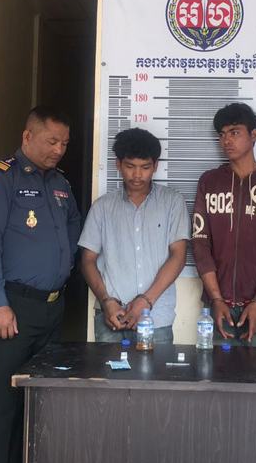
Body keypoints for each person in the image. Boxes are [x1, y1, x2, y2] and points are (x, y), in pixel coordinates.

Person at [0, 106, 81, 463]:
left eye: (64, 143)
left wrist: (64, 266)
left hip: (51, 308)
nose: (59, 150)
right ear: (27, 136)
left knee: (38, 398)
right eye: (52, 141)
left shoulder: (60, 183)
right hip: (13, 307)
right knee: (3, 400)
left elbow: (73, 225)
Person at [192, 103, 256, 346]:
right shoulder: (209, 182)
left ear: (254, 135)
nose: (226, 140)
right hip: (219, 307)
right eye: (222, 134)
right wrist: (216, 299)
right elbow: (200, 244)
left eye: (234, 132)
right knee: (216, 370)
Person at [79, 128, 189, 342]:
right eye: (130, 166)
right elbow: (87, 260)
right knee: (108, 366)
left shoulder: (172, 203)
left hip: (156, 318)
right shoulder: (102, 207)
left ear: (155, 166)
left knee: (158, 366)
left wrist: (145, 301)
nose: (137, 175)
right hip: (111, 316)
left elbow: (179, 256)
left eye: (145, 167)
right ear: (118, 164)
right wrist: (106, 301)